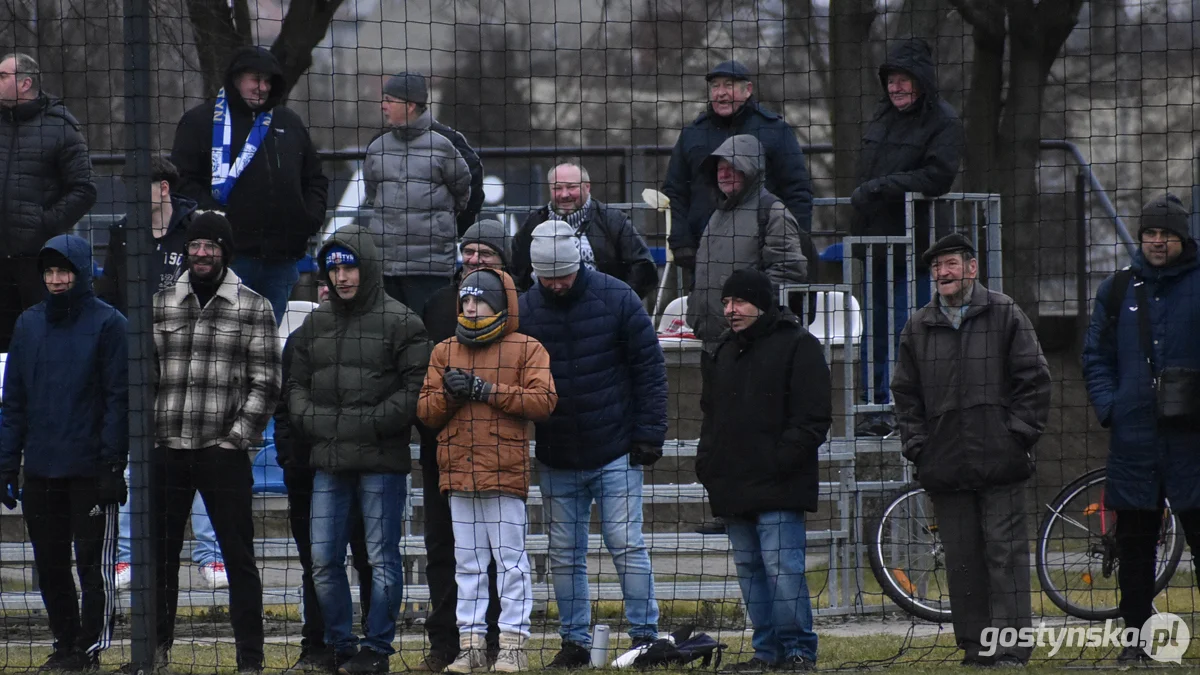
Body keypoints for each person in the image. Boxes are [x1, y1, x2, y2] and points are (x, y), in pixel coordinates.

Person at [891, 233, 1050, 667]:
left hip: (1000, 461)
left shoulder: (1004, 313)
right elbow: (905, 395)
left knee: (1005, 555)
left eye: (951, 264)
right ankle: (976, 647)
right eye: (936, 267)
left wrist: (1016, 437)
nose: (943, 273)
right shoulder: (918, 326)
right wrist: (919, 448)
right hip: (945, 465)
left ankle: (1014, 647)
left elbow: (1034, 380)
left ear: (972, 268)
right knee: (962, 561)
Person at [517, 221, 668, 667]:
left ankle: (645, 636)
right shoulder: (524, 311)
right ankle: (574, 642)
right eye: (549, 278)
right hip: (557, 454)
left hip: (616, 447)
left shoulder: (618, 297)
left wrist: (649, 434)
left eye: (564, 274)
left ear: (578, 262)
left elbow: (650, 369)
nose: (558, 284)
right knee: (564, 552)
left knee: (626, 543)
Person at [287, 225, 430, 675]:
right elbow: (294, 388)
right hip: (328, 461)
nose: (342, 277)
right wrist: (321, 425)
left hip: (381, 463)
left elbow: (415, 392)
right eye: (334, 269)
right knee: (323, 559)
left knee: (381, 556)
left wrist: (361, 426)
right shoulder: (314, 324)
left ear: (366, 267)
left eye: (349, 267)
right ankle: (339, 646)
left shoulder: (403, 321)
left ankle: (378, 649)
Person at [149, 211, 280, 673]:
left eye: (211, 246)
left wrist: (236, 440)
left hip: (223, 454)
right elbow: (147, 377)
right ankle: (155, 653)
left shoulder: (253, 306)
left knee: (239, 560)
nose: (201, 253)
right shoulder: (161, 303)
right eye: (195, 245)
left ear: (225, 251)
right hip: (167, 450)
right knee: (159, 560)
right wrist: (151, 438)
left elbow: (266, 383)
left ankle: (251, 660)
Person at [97, 155, 229, 592]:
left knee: (202, 459)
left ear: (163, 188)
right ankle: (126, 557)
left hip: (188, 363)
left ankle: (211, 556)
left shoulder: (196, 229)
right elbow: (109, 297)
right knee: (135, 465)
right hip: (137, 364)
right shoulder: (121, 234)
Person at [418, 268, 557, 673]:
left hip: (504, 474)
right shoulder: (444, 350)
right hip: (459, 475)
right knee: (468, 566)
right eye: (465, 301)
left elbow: (544, 401)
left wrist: (487, 391)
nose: (471, 307)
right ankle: (471, 645)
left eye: (479, 300)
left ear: (499, 304)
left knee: (511, 562)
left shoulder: (528, 347)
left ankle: (512, 645)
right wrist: (448, 393)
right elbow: (426, 412)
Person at [1082, 194, 1200, 666]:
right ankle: (1135, 641)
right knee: (1133, 548)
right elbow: (1095, 357)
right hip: (1134, 439)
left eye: (1165, 234)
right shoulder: (1116, 290)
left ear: (1182, 238)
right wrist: (1112, 406)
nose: (1156, 241)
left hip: (1193, 440)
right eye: (1149, 233)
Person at [0, 234, 127, 672]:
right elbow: (13, 400)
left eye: (63, 271)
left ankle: (90, 648)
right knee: (49, 565)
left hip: (90, 471)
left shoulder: (110, 324)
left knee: (93, 567)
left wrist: (113, 464)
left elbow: (117, 400)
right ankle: (65, 642)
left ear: (81, 271)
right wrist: (6, 462)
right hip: (40, 469)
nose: (56, 279)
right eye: (49, 272)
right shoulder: (27, 324)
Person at [696, 268, 830, 672]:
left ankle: (797, 651)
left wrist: (778, 462)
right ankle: (767, 651)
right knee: (751, 572)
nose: (730, 310)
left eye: (738, 302)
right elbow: (711, 416)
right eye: (725, 303)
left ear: (761, 303)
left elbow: (813, 418)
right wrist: (709, 463)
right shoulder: (721, 352)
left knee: (781, 569)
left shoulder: (799, 345)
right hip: (733, 484)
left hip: (778, 484)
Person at [851, 37, 964, 436]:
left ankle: (906, 410)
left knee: (909, 330)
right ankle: (874, 409)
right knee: (873, 332)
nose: (896, 88)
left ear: (921, 81)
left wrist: (883, 187)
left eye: (903, 80)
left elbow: (938, 176)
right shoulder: (881, 116)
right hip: (874, 246)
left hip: (916, 248)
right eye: (891, 80)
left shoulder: (944, 120)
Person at [170, 45, 329, 325]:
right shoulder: (199, 122)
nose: (263, 88)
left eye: (268, 81)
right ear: (235, 79)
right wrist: (213, 220)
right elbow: (182, 182)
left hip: (281, 259)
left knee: (266, 346)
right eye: (256, 79)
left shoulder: (288, 122)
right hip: (229, 258)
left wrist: (309, 219)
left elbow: (315, 179)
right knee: (223, 342)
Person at [417, 220, 510, 671]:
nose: (474, 260)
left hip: (499, 452)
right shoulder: (436, 307)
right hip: (446, 452)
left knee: (499, 556)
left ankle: (499, 640)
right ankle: (446, 642)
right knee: (444, 550)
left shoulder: (519, 310)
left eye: (486, 253)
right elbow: (423, 394)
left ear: (503, 261)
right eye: (469, 251)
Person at [274, 277, 376, 673]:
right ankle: (318, 646)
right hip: (307, 473)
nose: (330, 287)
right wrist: (290, 460)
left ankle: (370, 649)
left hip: (362, 469)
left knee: (368, 559)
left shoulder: (377, 333)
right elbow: (283, 409)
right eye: (323, 280)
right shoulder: (299, 339)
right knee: (316, 564)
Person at [663, 59, 812, 285]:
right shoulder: (692, 134)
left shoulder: (775, 131)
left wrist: (795, 243)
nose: (720, 93)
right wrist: (681, 240)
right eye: (715, 86)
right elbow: (675, 190)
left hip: (762, 255)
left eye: (728, 85)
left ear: (748, 90)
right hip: (704, 254)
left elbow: (797, 191)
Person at [0, 52, 96, 352]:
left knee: (43, 343)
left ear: (25, 83)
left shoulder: (61, 127)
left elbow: (84, 189)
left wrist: (45, 224)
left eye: (3, 76)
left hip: (37, 261)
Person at [686, 134, 808, 353]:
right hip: (713, 342)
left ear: (751, 170)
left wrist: (751, 315)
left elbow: (789, 271)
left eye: (732, 166)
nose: (723, 174)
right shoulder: (717, 214)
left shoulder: (773, 212)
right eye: (719, 168)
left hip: (753, 343)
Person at [366, 72, 472, 316]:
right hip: (387, 267)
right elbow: (373, 194)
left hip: (429, 269)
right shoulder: (377, 148)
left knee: (430, 335)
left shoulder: (443, 147)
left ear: (410, 105)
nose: (383, 105)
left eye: (389, 100)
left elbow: (462, 190)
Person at [511, 162, 658, 300]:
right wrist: (527, 305)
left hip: (601, 310)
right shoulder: (533, 224)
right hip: (544, 312)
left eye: (571, 187)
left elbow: (644, 267)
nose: (564, 194)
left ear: (587, 187)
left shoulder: (613, 221)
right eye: (557, 188)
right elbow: (516, 275)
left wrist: (618, 303)